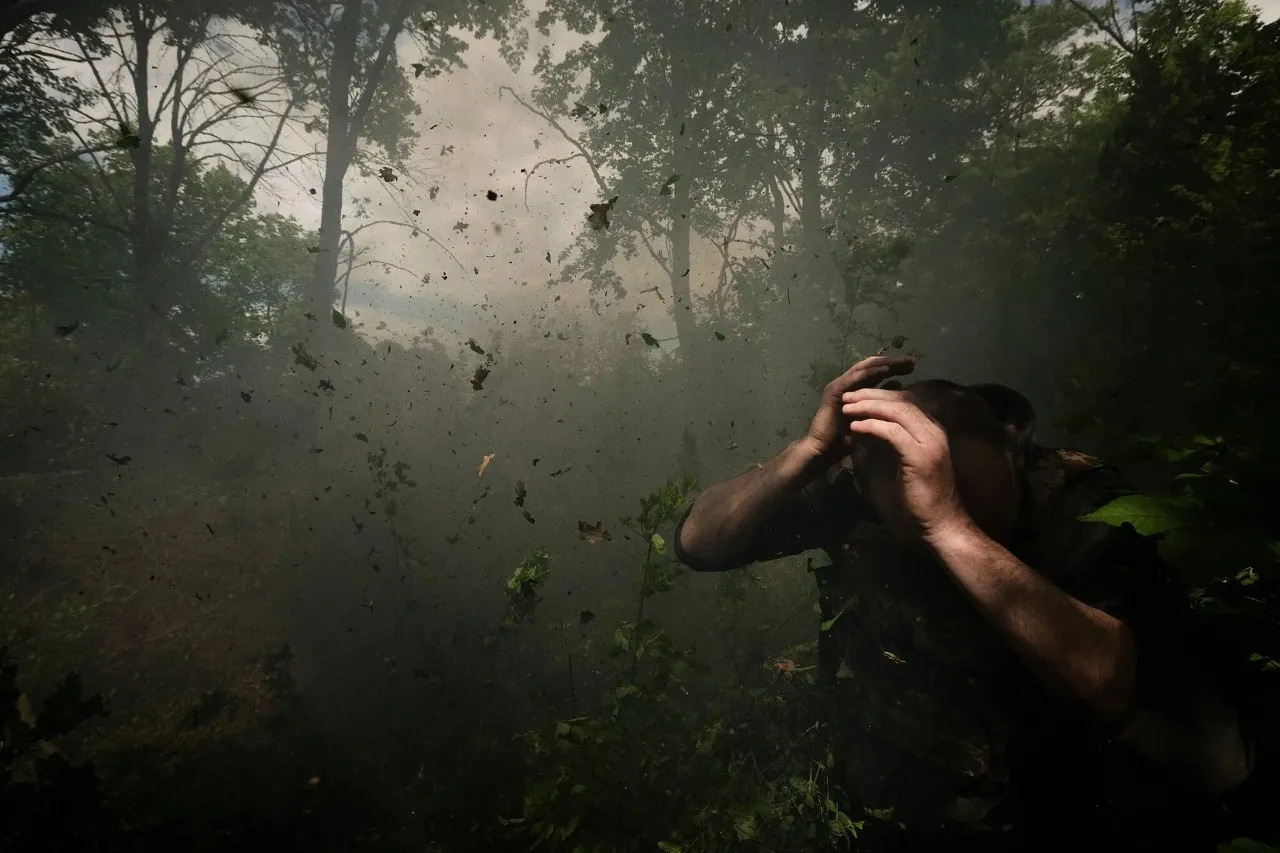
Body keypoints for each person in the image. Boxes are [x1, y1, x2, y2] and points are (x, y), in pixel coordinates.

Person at [673, 355, 1256, 851]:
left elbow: (1126, 689)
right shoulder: (858, 495)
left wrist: (949, 526)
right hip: (895, 813)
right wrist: (811, 450)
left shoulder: (1084, 505)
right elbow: (701, 543)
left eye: (980, 503)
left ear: (1013, 445)